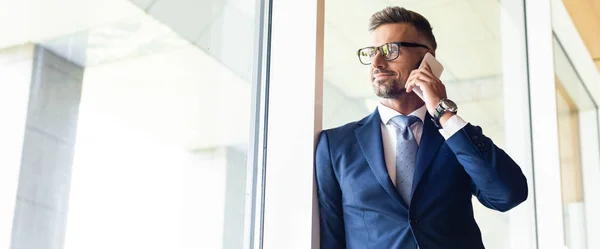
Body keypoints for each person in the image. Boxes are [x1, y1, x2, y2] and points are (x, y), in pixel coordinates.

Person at [315, 6, 528, 249]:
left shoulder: (456, 136)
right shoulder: (335, 145)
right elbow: (330, 237)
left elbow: (508, 195)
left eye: (390, 50)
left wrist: (444, 113)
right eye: (372, 52)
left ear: (428, 59)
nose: (376, 62)